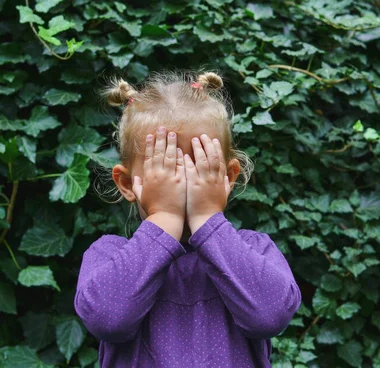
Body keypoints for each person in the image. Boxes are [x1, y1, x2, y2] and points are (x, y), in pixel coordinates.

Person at [74, 71, 302, 367]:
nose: (181, 186)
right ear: (128, 184)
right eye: (165, 172)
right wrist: (164, 218)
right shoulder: (108, 255)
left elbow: (270, 316)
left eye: (197, 169)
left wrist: (208, 217)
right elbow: (107, 320)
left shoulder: (253, 249)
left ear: (228, 177)